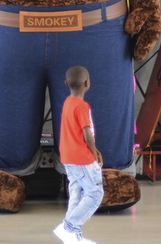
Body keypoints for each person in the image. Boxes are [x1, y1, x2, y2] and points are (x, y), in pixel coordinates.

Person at [54, 66, 104, 244]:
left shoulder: (68, 102)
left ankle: (72, 236)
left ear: (66, 83)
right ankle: (69, 226)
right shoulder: (82, 106)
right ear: (87, 83)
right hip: (82, 157)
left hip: (68, 157)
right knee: (95, 193)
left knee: (76, 191)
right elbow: (87, 133)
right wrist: (94, 151)